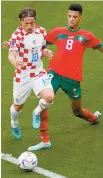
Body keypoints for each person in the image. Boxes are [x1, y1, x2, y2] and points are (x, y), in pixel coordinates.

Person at [27, 4, 103, 151]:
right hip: (54, 73)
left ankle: (93, 118)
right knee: (44, 102)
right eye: (69, 16)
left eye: (75, 17)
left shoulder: (87, 36)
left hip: (72, 78)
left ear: (81, 18)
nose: (71, 20)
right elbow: (40, 43)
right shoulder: (57, 32)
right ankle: (45, 140)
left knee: (77, 111)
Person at [4, 7, 54, 146]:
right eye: (26, 23)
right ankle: (14, 124)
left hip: (38, 71)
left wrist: (46, 52)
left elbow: (41, 48)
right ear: (20, 21)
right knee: (18, 106)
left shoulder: (42, 31)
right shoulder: (16, 36)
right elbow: (11, 55)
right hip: (23, 75)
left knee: (49, 97)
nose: (29, 26)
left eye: (31, 23)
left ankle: (36, 112)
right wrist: (15, 62)